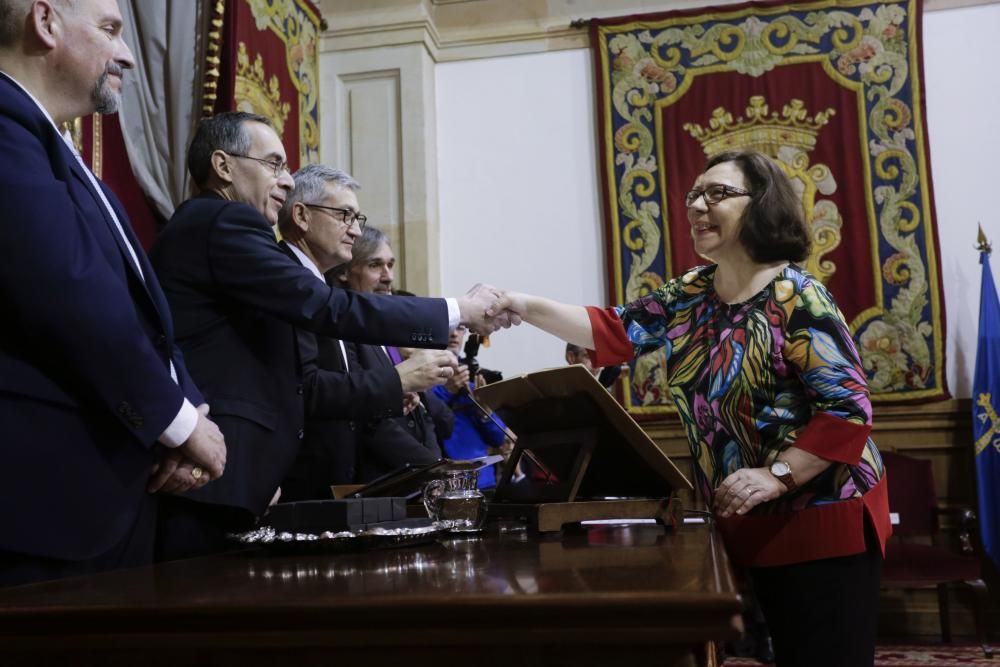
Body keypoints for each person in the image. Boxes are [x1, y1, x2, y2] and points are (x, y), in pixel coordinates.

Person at [496, 150, 890, 667]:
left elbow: (848, 411)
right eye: (694, 196)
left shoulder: (800, 297)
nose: (698, 206)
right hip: (745, 520)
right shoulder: (693, 293)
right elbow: (613, 329)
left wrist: (778, 474)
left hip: (820, 517)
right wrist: (518, 305)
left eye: (717, 194)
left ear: (763, 205)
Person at [150, 111, 510, 559]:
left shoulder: (220, 230)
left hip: (240, 478)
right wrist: (457, 311)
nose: (285, 182)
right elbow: (326, 315)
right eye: (274, 165)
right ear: (223, 166)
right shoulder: (223, 222)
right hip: (214, 473)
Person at [0, 0, 225, 586]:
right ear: (45, 23)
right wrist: (177, 424)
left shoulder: (48, 144)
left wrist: (184, 405)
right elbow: (66, 292)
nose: (125, 52)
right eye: (109, 30)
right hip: (42, 506)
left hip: (101, 494)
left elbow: (138, 306)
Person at [276, 166, 454, 498]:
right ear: (301, 215)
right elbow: (307, 390)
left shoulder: (318, 291)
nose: (356, 231)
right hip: (295, 485)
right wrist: (398, 380)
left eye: (357, 218)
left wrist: (389, 397)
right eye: (345, 215)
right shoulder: (289, 283)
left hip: (340, 487)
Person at [332, 226, 450, 482]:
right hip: (375, 484)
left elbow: (426, 416)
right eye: (375, 265)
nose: (388, 277)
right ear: (344, 271)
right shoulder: (342, 333)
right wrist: (435, 471)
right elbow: (370, 423)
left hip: (416, 484)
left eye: (390, 265)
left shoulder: (390, 333)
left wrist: (438, 469)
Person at [430, 325, 507, 489]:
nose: (454, 334)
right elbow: (430, 423)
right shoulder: (424, 375)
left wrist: (485, 412)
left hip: (483, 478)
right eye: (449, 326)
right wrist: (449, 392)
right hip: (446, 479)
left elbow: (499, 438)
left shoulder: (471, 377)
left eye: (460, 328)